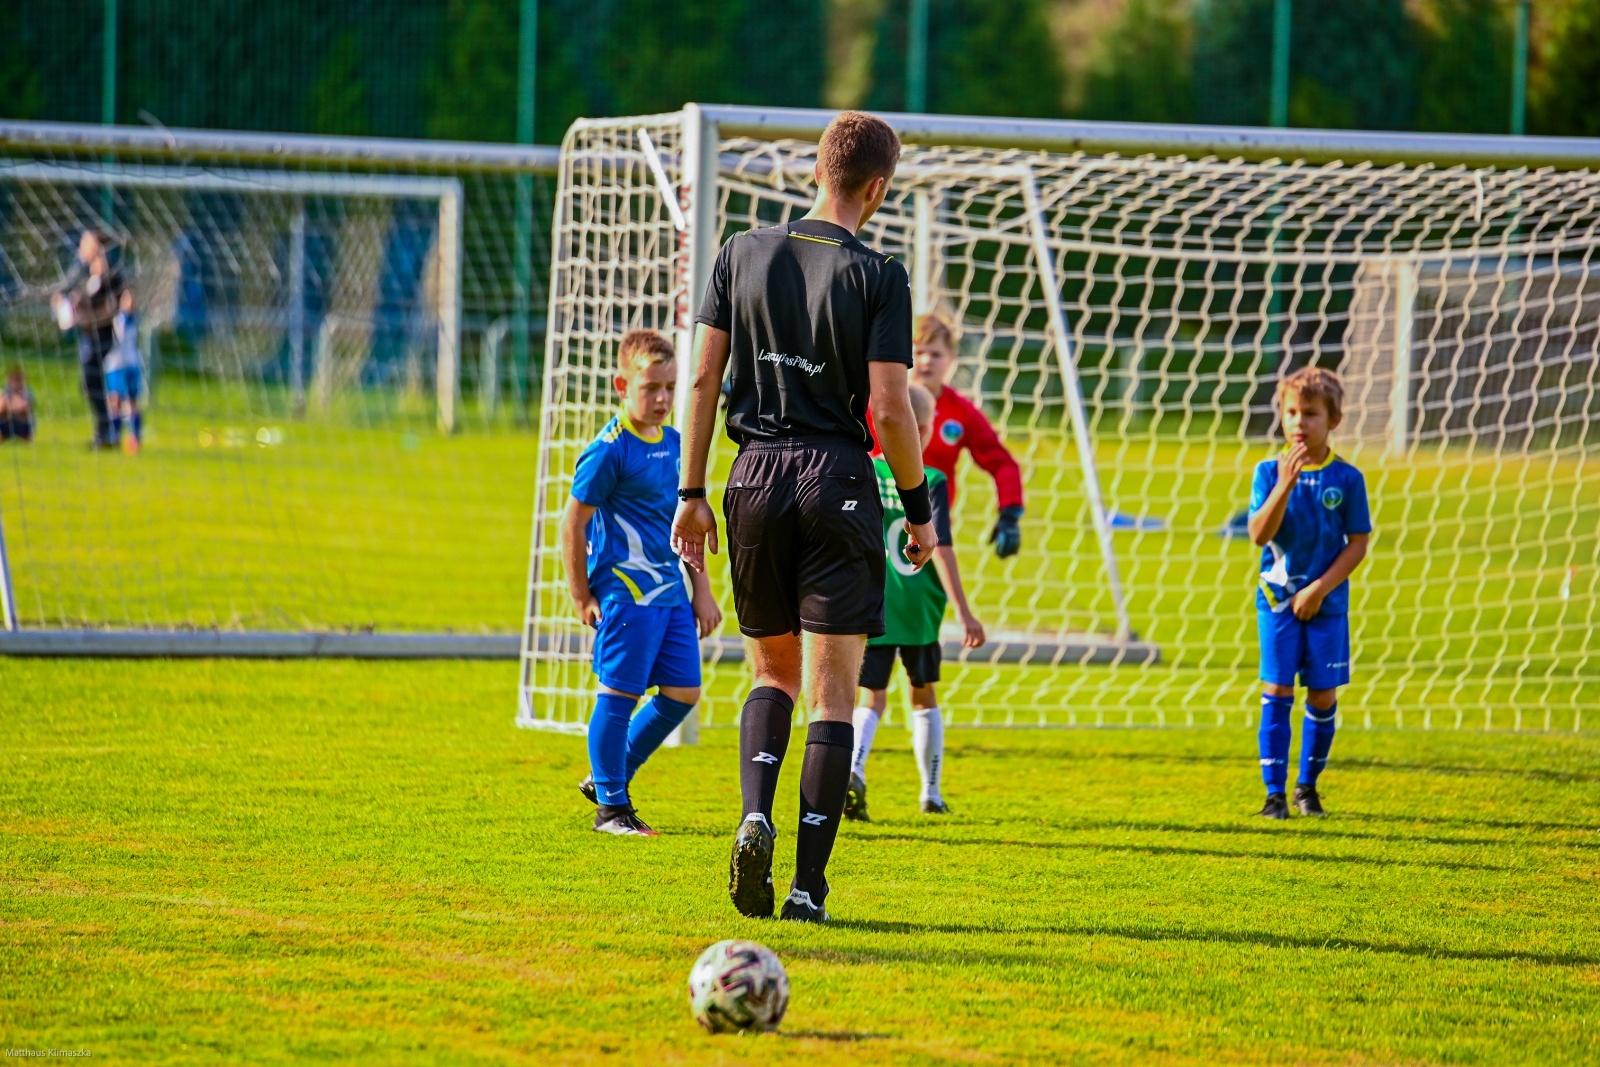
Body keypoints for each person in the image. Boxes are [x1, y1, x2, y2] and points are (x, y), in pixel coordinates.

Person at [671, 110, 938, 924]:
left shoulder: (740, 252)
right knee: (831, 695)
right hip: (838, 480)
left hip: (750, 478)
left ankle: (755, 814)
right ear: (879, 188)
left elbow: (703, 380)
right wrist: (921, 511)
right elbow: (891, 409)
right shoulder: (881, 274)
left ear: (815, 169)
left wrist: (690, 494)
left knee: (771, 675)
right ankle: (806, 886)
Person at [562, 329, 723, 837]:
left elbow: (688, 526)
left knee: (683, 692)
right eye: (650, 387)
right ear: (621, 385)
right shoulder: (608, 451)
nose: (661, 399)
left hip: (671, 594)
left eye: (669, 388)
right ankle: (611, 810)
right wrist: (581, 594)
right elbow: (572, 524)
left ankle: (608, 777)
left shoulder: (676, 445)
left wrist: (703, 590)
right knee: (619, 693)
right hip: (624, 595)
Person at [846, 383, 985, 822]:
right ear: (924, 431)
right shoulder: (932, 480)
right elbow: (938, 546)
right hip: (921, 609)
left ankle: (854, 771)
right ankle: (931, 792)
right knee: (923, 696)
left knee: (870, 697)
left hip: (875, 604)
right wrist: (964, 611)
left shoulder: (864, 472)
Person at [1247, 367, 1371, 819]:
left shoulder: (1348, 479)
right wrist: (1284, 484)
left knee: (1321, 695)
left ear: (1334, 420)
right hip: (1277, 599)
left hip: (1327, 604)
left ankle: (1307, 788)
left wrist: (1319, 590)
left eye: (1311, 414)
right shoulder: (1267, 472)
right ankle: (1273, 796)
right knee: (1277, 687)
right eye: (1292, 412)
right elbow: (1259, 535)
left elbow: (1358, 543)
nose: (1299, 422)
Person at [871, 311, 1026, 558]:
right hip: (872, 521)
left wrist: (1010, 512)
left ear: (952, 359)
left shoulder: (961, 412)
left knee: (924, 596)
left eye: (935, 354)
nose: (925, 361)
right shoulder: (880, 402)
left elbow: (1002, 462)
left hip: (928, 531)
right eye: (918, 352)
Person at [50, 229, 124, 449]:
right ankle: (106, 431)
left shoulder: (112, 276)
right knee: (90, 383)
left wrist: (85, 317)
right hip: (87, 336)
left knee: (93, 382)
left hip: (102, 336)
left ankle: (108, 432)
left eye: (86, 243)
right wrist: (63, 304)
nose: (81, 247)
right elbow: (68, 297)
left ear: (97, 248)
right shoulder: (83, 276)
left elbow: (112, 308)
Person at [106, 290, 144, 454]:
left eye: (133, 298)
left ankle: (135, 437)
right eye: (127, 298)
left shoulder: (134, 320)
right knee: (115, 401)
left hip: (131, 364)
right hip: (115, 365)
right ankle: (115, 436)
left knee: (133, 402)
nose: (131, 301)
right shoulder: (114, 319)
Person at [1, 366, 35, 443]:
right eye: (14, 380)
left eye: (19, 380)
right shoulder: (5, 392)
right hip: (6, 423)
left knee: (27, 418)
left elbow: (26, 409)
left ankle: (25, 436)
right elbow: (1, 409)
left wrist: (11, 406)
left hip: (22, 424)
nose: (16, 383)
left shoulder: (28, 393)